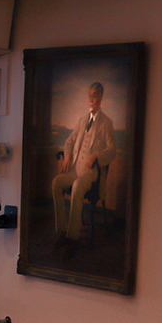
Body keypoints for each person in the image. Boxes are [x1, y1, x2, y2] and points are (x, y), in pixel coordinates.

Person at [51, 82, 117, 256]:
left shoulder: (106, 123)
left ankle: (73, 238)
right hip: (75, 169)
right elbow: (69, 141)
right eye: (89, 95)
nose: (91, 99)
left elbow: (112, 152)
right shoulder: (82, 121)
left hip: (91, 174)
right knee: (57, 182)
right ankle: (63, 231)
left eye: (94, 95)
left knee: (78, 186)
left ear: (101, 98)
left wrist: (95, 156)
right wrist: (67, 155)